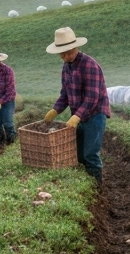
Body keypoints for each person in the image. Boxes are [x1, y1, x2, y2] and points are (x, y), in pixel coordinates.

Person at [43, 26, 111, 181]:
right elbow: (65, 94)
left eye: (69, 52)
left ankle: (97, 185)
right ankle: (87, 182)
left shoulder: (89, 65)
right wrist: (55, 110)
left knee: (90, 154)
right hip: (79, 116)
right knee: (79, 154)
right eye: (63, 53)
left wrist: (77, 116)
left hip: (94, 115)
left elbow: (92, 97)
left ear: (76, 47)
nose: (66, 56)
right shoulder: (66, 67)